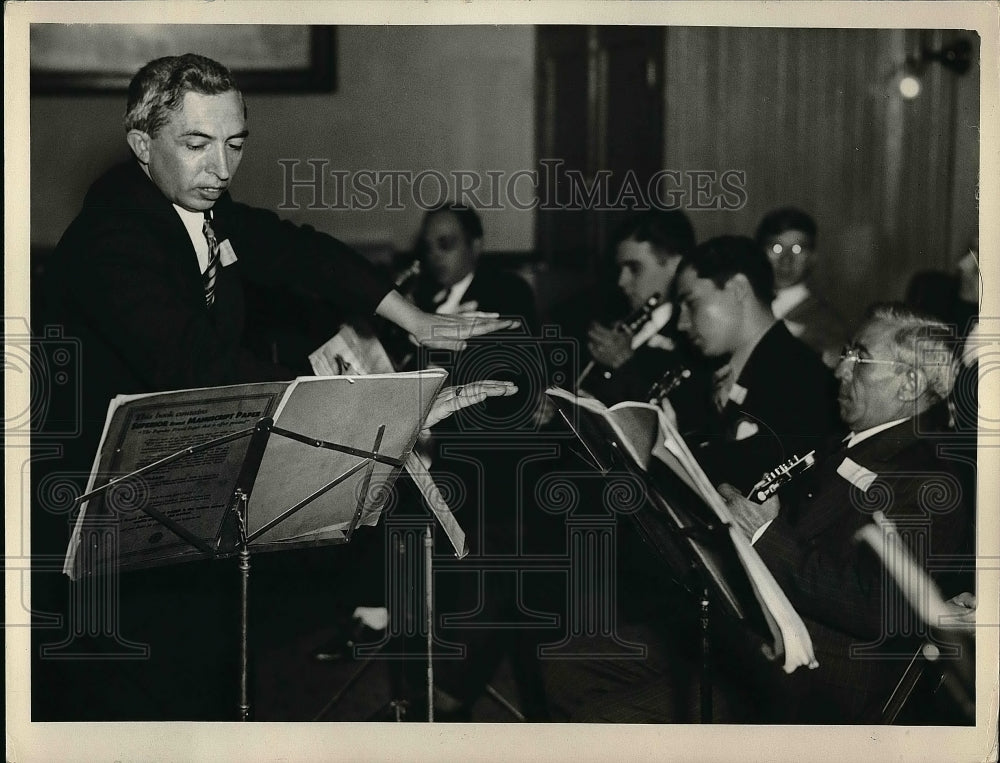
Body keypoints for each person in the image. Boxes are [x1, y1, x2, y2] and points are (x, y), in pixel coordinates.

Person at [32, 54, 516, 721]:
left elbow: (298, 250)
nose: (221, 168)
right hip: (109, 525)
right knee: (137, 702)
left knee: (214, 683)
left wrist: (415, 318)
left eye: (235, 144)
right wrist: (362, 398)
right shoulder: (111, 238)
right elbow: (198, 365)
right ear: (142, 143)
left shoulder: (204, 210)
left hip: (188, 512)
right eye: (197, 144)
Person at [720, 303, 974, 722]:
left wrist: (764, 532)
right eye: (847, 355)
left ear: (909, 384)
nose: (841, 370)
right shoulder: (857, 439)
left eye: (860, 359)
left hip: (822, 694)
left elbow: (876, 605)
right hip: (771, 655)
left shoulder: (928, 476)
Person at [674, 235, 843, 494]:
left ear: (738, 288)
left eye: (691, 303)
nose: (682, 323)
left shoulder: (800, 378)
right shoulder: (717, 370)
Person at [579, 210, 714, 433]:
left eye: (634, 268)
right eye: (620, 269)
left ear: (675, 265)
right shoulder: (621, 317)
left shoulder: (695, 332)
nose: (622, 281)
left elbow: (687, 412)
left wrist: (625, 363)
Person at [755, 206, 850, 366]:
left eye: (797, 249)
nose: (786, 260)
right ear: (760, 252)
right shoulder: (748, 304)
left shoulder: (827, 324)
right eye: (776, 248)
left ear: (812, 257)